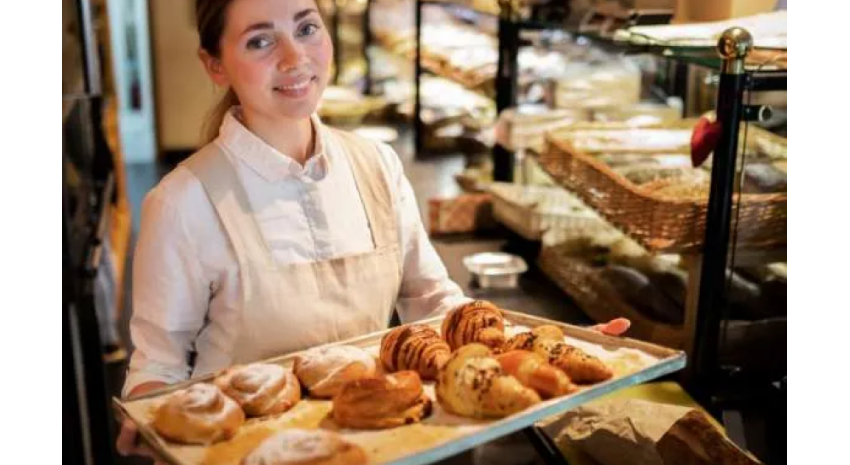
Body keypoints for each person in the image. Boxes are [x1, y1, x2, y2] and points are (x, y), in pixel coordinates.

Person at [116, 0, 629, 461]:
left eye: (307, 27)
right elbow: (158, 365)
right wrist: (147, 416)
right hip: (254, 452)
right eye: (260, 40)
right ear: (215, 64)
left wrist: (551, 348)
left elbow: (433, 301)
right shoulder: (183, 201)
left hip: (383, 440)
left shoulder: (376, 165)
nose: (296, 58)